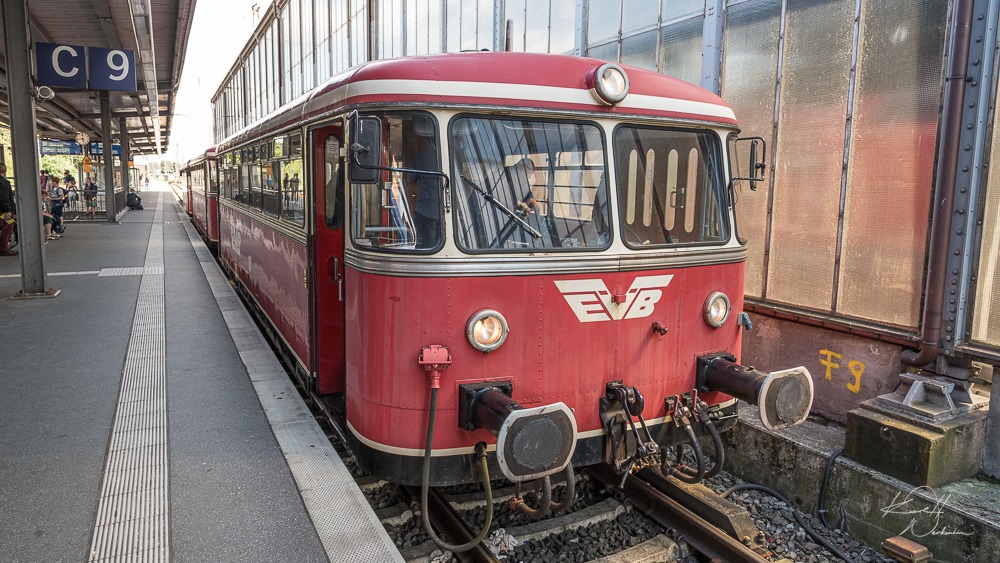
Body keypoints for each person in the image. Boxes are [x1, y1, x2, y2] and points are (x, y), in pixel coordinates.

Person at [408, 133, 441, 249]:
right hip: (444, 212)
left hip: (425, 210)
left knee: (426, 247)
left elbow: (410, 180)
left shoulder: (421, 157)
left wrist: (413, 206)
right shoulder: (448, 156)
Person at [0, 164, 17, 256]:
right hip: (3, 212)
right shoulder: (4, 182)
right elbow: (4, 198)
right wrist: (8, 210)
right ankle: (3, 248)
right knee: (9, 225)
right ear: (5, 171)